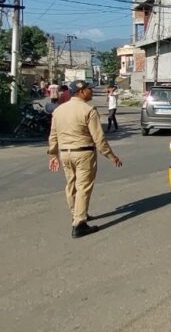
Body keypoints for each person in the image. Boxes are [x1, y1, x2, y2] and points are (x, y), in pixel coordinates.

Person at [47, 80, 123, 238]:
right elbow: (99, 138)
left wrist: (53, 155)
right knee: (83, 187)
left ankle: (77, 214)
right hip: (83, 153)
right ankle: (79, 224)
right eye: (89, 89)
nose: (92, 92)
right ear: (81, 92)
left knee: (72, 185)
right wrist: (111, 156)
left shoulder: (59, 110)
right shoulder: (89, 110)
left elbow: (53, 136)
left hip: (65, 153)